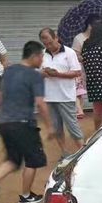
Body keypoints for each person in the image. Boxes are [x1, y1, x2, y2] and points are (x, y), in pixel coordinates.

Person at [0, 41, 54, 203]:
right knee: (33, 160)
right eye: (42, 56)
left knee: (13, 160)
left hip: (5, 123)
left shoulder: (9, 71)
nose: (42, 60)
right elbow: (41, 104)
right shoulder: (35, 76)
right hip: (23, 124)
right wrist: (50, 126)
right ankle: (26, 196)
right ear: (35, 56)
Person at [39, 27, 84, 157]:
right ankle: (64, 152)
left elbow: (77, 72)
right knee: (57, 127)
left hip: (66, 96)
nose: (48, 46)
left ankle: (82, 153)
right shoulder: (42, 54)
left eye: (50, 42)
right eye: (45, 44)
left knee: (72, 127)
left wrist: (58, 74)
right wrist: (43, 73)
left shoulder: (69, 53)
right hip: (49, 97)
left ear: (56, 38)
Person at [72, 15, 100, 119]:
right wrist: (85, 58)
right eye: (96, 25)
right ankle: (79, 111)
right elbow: (75, 55)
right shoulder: (79, 38)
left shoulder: (97, 38)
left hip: (94, 69)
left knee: (88, 92)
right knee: (79, 91)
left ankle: (87, 111)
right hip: (81, 69)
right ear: (89, 25)